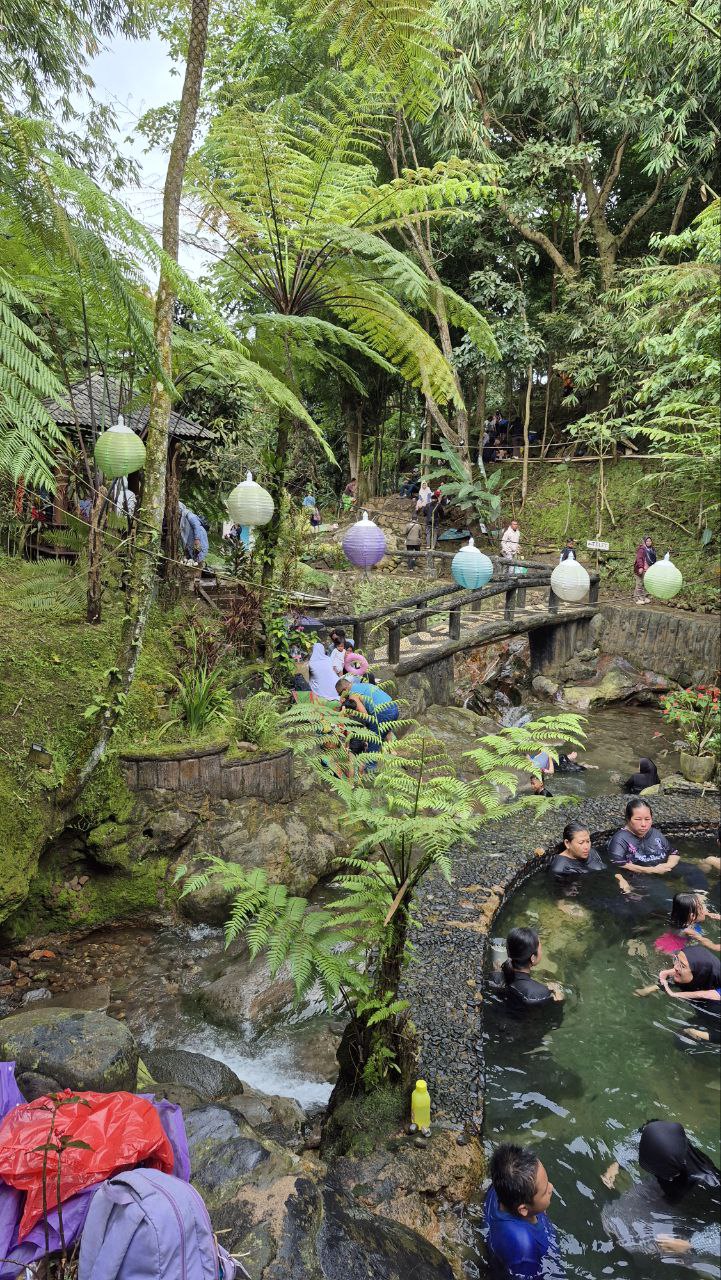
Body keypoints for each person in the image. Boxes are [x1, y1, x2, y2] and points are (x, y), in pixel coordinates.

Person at [602, 1121, 720, 1263]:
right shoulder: (670, 1137)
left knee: (643, 1241)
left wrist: (692, 1244)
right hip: (668, 1186)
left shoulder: (709, 1184)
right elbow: (641, 1135)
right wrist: (618, 1163)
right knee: (615, 1217)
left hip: (693, 1206)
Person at [484, 1143, 559, 1279]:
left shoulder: (502, 1186)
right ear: (523, 1209)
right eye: (544, 1192)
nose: (551, 1187)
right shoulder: (523, 1250)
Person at [607, 799, 680, 881]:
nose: (643, 824)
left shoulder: (655, 833)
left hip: (663, 868)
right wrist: (652, 870)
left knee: (692, 871)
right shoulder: (620, 838)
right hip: (640, 876)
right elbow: (618, 863)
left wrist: (668, 865)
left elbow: (674, 852)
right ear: (628, 819)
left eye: (647, 819)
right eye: (638, 819)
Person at [490, 927, 561, 1007]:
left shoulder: (493, 977)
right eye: (540, 948)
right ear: (533, 958)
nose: (542, 951)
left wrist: (497, 973)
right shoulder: (541, 993)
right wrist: (558, 992)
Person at [336, 675, 399, 755]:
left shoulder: (353, 695)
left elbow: (365, 715)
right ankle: (392, 750)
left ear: (345, 690)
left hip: (383, 712)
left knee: (373, 742)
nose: (341, 697)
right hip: (394, 707)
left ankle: (370, 766)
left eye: (340, 694)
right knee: (386, 728)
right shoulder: (364, 685)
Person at [633, 536, 656, 604]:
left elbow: (653, 560)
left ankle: (643, 597)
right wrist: (640, 567)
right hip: (640, 569)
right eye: (647, 541)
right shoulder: (642, 549)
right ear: (644, 542)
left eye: (650, 541)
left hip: (648, 569)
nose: (649, 542)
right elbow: (639, 558)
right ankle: (637, 599)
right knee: (639, 583)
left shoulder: (652, 549)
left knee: (645, 584)